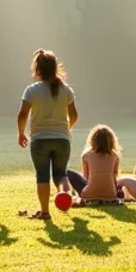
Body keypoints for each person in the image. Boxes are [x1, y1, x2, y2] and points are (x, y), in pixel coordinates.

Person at [17, 49, 78, 219]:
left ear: (37, 70)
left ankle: (45, 211)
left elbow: (22, 115)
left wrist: (21, 133)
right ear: (55, 67)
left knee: (42, 175)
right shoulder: (66, 90)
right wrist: (66, 129)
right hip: (62, 139)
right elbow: (74, 115)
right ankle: (65, 193)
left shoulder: (32, 90)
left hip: (40, 139)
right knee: (61, 174)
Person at [65, 124, 121, 202]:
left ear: (93, 140)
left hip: (89, 195)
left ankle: (74, 195)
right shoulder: (115, 156)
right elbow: (114, 177)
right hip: (111, 195)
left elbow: (86, 177)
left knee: (68, 173)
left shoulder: (86, 155)